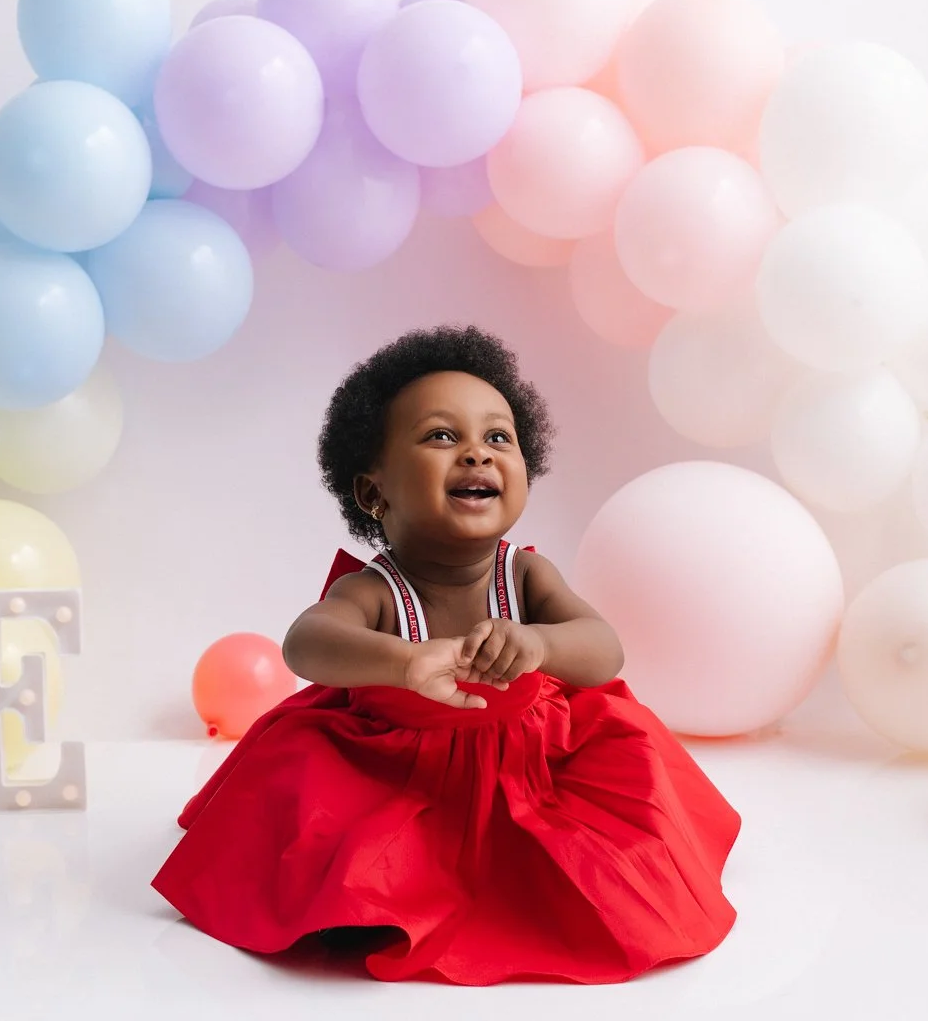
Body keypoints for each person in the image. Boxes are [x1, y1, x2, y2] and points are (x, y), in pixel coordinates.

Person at [151, 325, 741, 985]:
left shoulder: (522, 576)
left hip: (530, 764)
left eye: (498, 438)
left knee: (618, 830)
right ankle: (374, 907)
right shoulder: (374, 589)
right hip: (402, 770)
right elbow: (307, 641)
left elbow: (605, 651)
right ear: (374, 493)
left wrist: (539, 642)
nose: (476, 456)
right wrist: (402, 662)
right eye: (441, 436)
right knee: (324, 812)